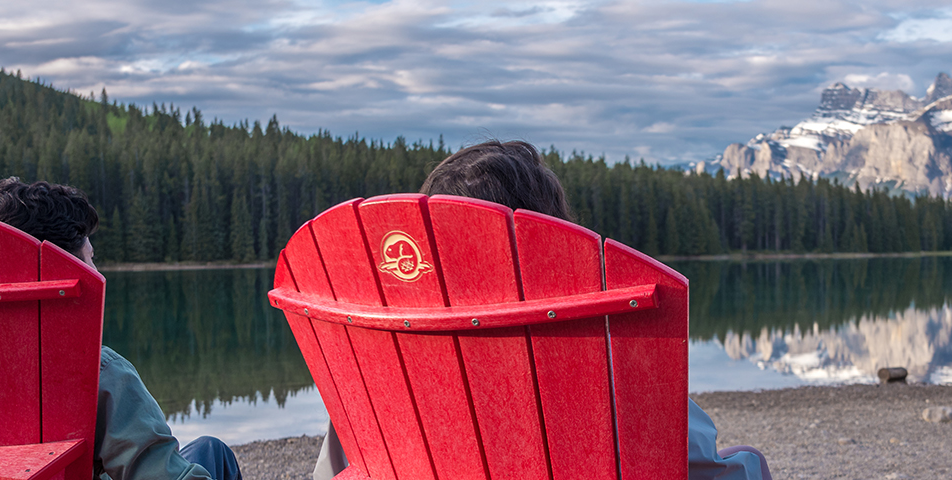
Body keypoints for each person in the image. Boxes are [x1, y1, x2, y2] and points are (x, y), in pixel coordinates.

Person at [310, 141, 773, 480]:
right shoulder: (606, 363)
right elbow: (702, 468)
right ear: (551, 243)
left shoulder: (375, 365)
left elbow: (331, 471)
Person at [0, 177, 245, 480]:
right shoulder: (94, 372)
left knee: (209, 449)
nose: (99, 274)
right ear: (67, 276)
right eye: (90, 259)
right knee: (213, 457)